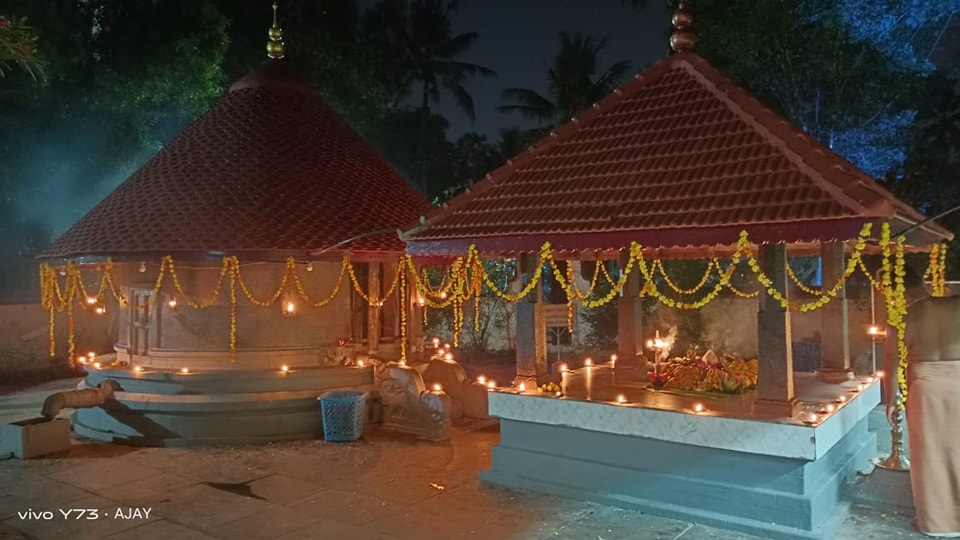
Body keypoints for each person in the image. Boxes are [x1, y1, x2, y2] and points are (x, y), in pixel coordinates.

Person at [884, 268, 960, 537]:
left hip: (925, 391)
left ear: (899, 294)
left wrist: (891, 400)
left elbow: (891, 364)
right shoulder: (955, 304)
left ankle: (937, 523)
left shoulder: (901, 318)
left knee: (929, 456)